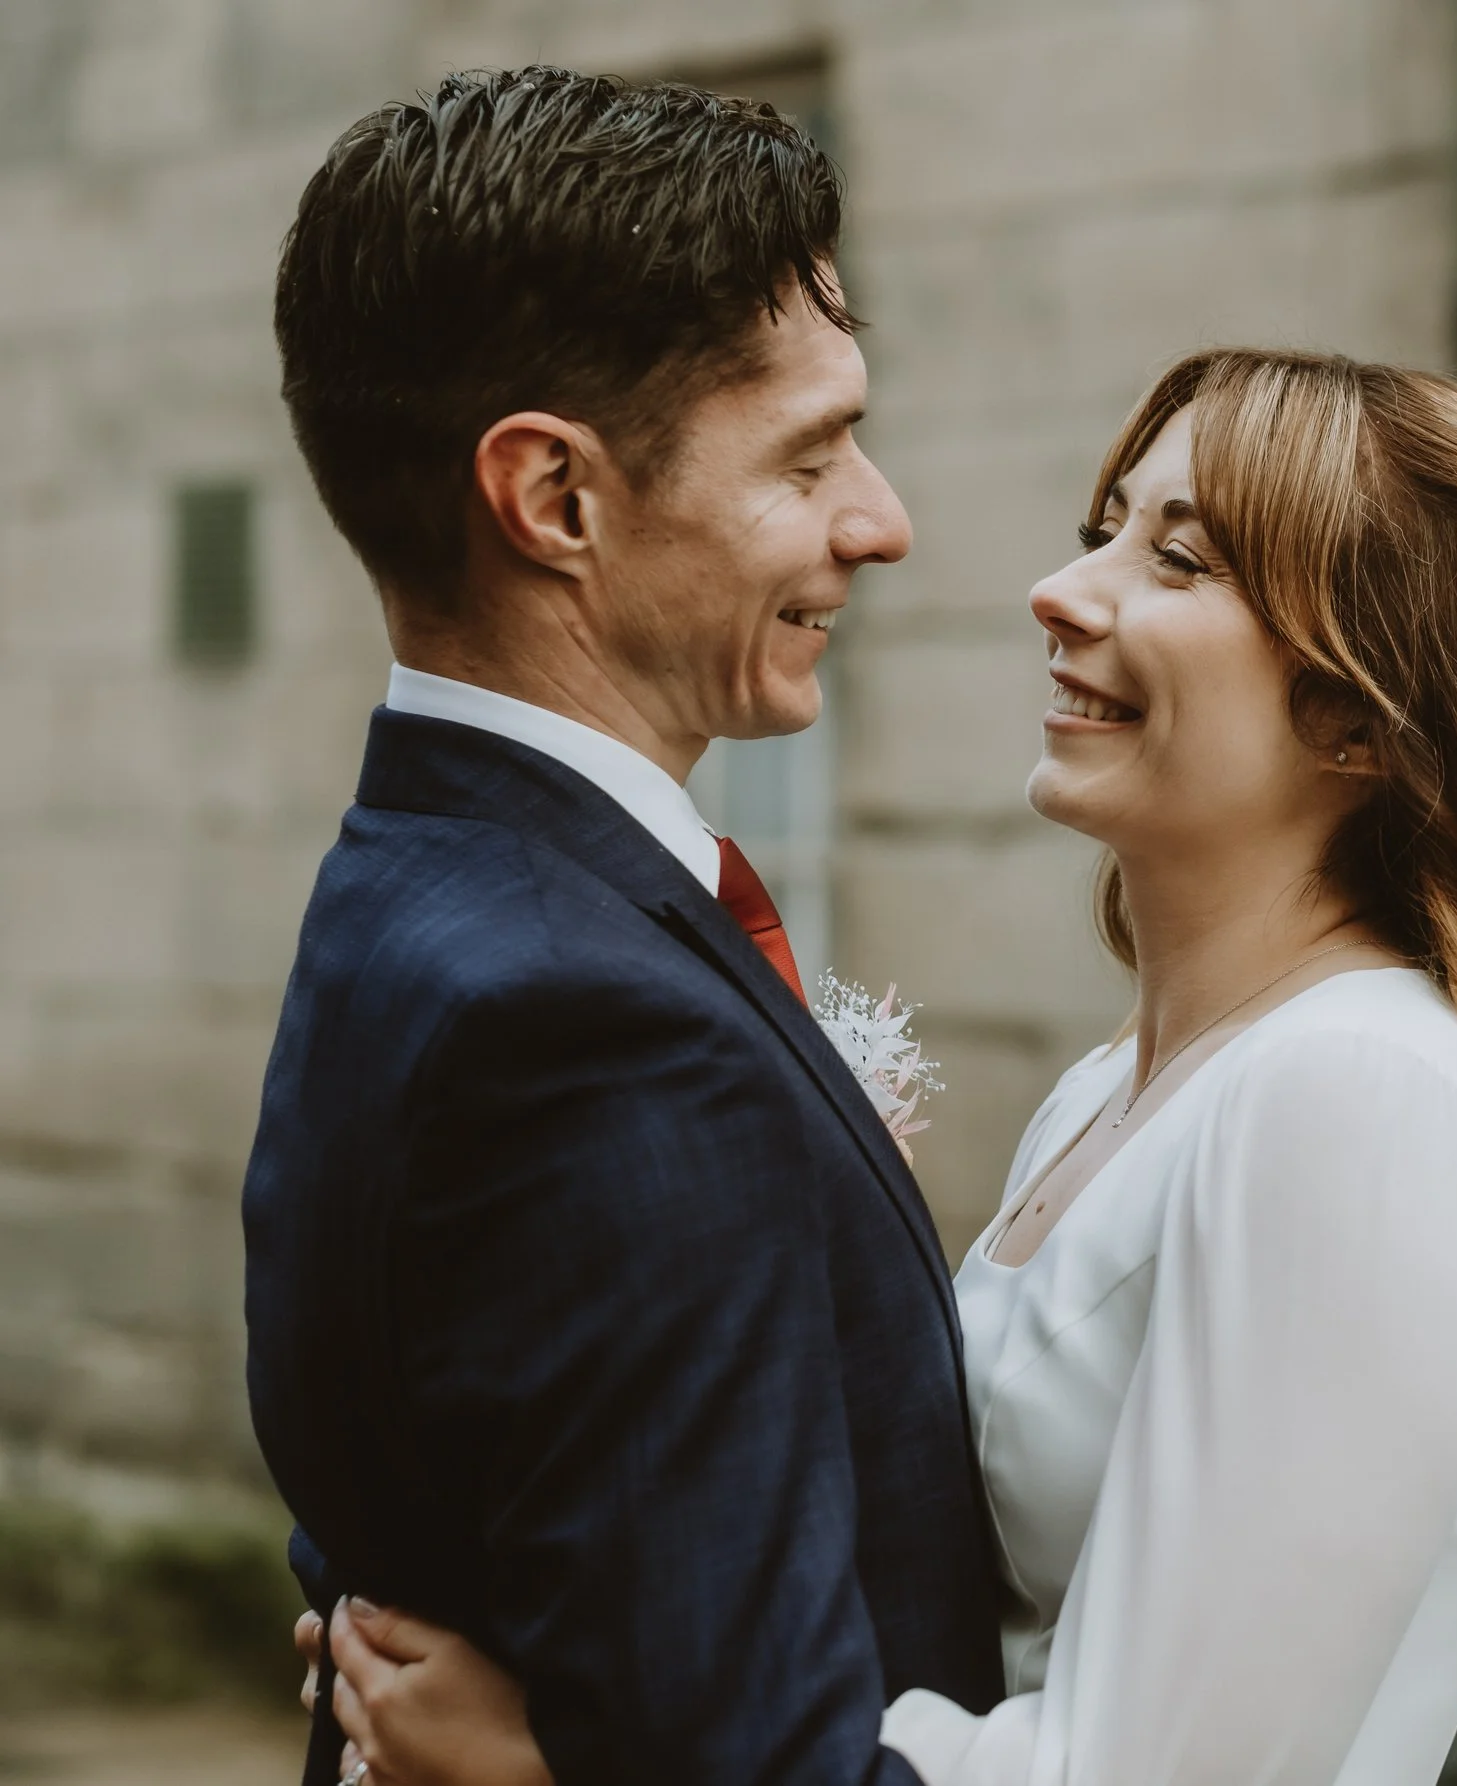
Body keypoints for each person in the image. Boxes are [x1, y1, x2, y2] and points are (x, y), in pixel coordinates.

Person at [291, 346, 1457, 1786]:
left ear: (1363, 713)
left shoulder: (1361, 1103)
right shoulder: (1117, 1092)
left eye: (1179, 559)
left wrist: (584, 1761)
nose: (1063, 590)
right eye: (1105, 526)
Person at [241, 67, 1002, 1786]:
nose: (880, 521)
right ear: (556, 498)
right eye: (808, 454)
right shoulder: (594, 1029)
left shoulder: (409, 876)